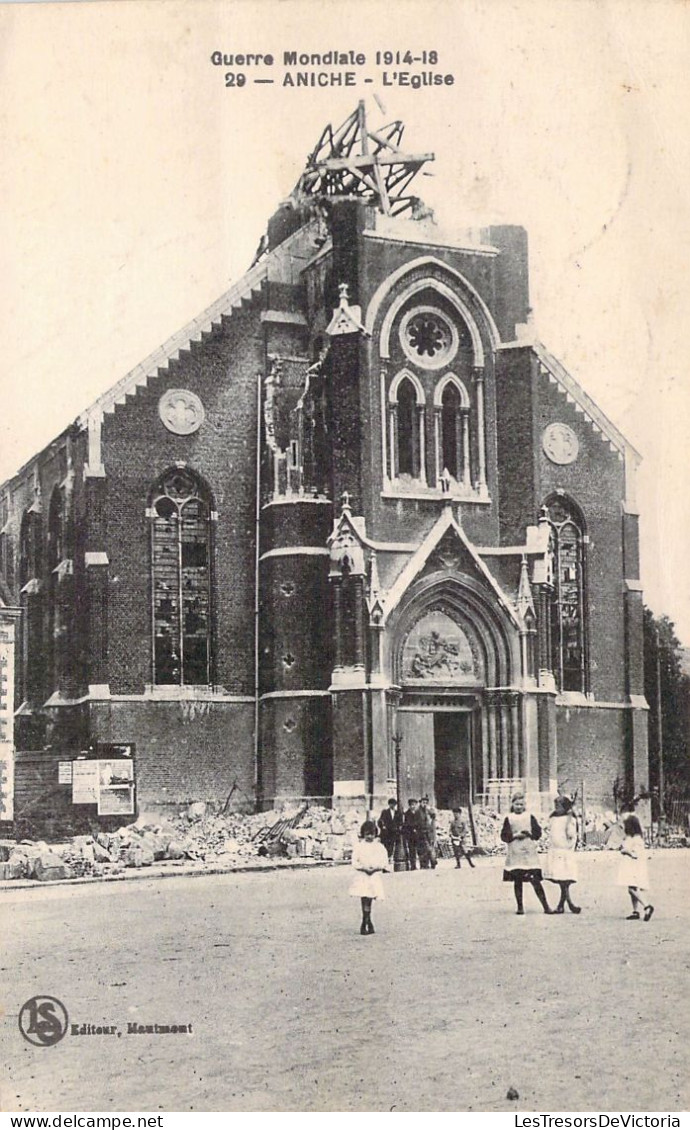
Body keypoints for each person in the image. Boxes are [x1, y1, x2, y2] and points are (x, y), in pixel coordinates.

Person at [501, 792, 552, 915]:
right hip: (515, 852)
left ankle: (546, 906)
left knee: (535, 880)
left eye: (521, 804)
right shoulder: (509, 818)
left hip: (528, 852)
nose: (519, 807)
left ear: (525, 805)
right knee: (518, 881)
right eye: (516, 804)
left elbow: (538, 834)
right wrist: (514, 835)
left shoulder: (530, 817)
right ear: (512, 804)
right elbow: (504, 836)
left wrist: (529, 834)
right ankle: (520, 907)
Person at [348, 820, 390, 934]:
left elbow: (384, 861)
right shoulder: (359, 846)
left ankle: (368, 921)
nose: (369, 836)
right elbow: (354, 861)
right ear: (363, 834)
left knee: (370, 897)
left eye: (372, 834)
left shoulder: (379, 847)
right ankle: (365, 922)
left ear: (375, 834)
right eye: (367, 834)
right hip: (363, 875)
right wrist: (364, 868)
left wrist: (376, 868)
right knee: (365, 897)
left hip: (374, 876)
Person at [545, 796, 581, 913]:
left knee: (564, 879)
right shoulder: (553, 818)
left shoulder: (569, 819)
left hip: (564, 852)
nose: (556, 808)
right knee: (562, 880)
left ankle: (563, 904)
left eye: (558, 806)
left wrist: (569, 846)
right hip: (555, 851)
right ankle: (568, 904)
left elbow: (572, 835)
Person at [617, 814, 654, 921]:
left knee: (632, 889)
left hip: (634, 866)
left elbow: (635, 854)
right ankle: (635, 911)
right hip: (633, 866)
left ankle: (647, 906)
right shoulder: (633, 838)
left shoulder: (636, 839)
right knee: (632, 888)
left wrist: (625, 851)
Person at [378, 797, 402, 863]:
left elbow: (400, 822)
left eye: (394, 804)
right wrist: (383, 826)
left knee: (392, 846)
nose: (393, 805)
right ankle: (386, 858)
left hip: (394, 833)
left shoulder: (397, 813)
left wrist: (398, 828)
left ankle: (390, 857)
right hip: (386, 833)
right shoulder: (385, 812)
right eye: (391, 804)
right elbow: (380, 821)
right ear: (389, 804)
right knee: (386, 846)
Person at [418, 796, 437, 869]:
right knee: (423, 850)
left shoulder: (429, 811)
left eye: (426, 803)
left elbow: (433, 817)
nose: (424, 804)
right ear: (420, 803)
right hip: (421, 833)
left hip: (429, 833)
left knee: (430, 848)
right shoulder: (418, 811)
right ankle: (425, 864)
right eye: (423, 802)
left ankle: (432, 861)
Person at [402, 798, 421, 870]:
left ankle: (422, 864)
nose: (412, 806)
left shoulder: (418, 813)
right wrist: (413, 828)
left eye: (414, 805)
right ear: (409, 806)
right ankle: (413, 866)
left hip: (418, 835)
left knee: (419, 850)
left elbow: (420, 823)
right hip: (410, 835)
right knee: (412, 851)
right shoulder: (407, 814)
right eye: (411, 805)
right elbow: (407, 824)